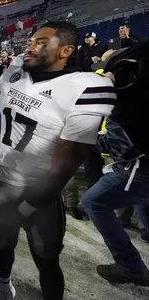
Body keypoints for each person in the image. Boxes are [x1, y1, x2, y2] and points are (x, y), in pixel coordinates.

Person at [0, 0, 115, 300]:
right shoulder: (14, 74)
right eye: (30, 41)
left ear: (65, 51)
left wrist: (30, 203)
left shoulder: (80, 88)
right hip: (3, 182)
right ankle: (3, 286)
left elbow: (68, 162)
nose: (30, 46)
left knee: (47, 261)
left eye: (41, 42)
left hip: (42, 192)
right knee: (3, 243)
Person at [81, 41, 149, 286]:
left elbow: (120, 146)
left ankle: (130, 266)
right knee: (140, 195)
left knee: (93, 201)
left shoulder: (128, 99)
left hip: (139, 163)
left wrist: (85, 138)